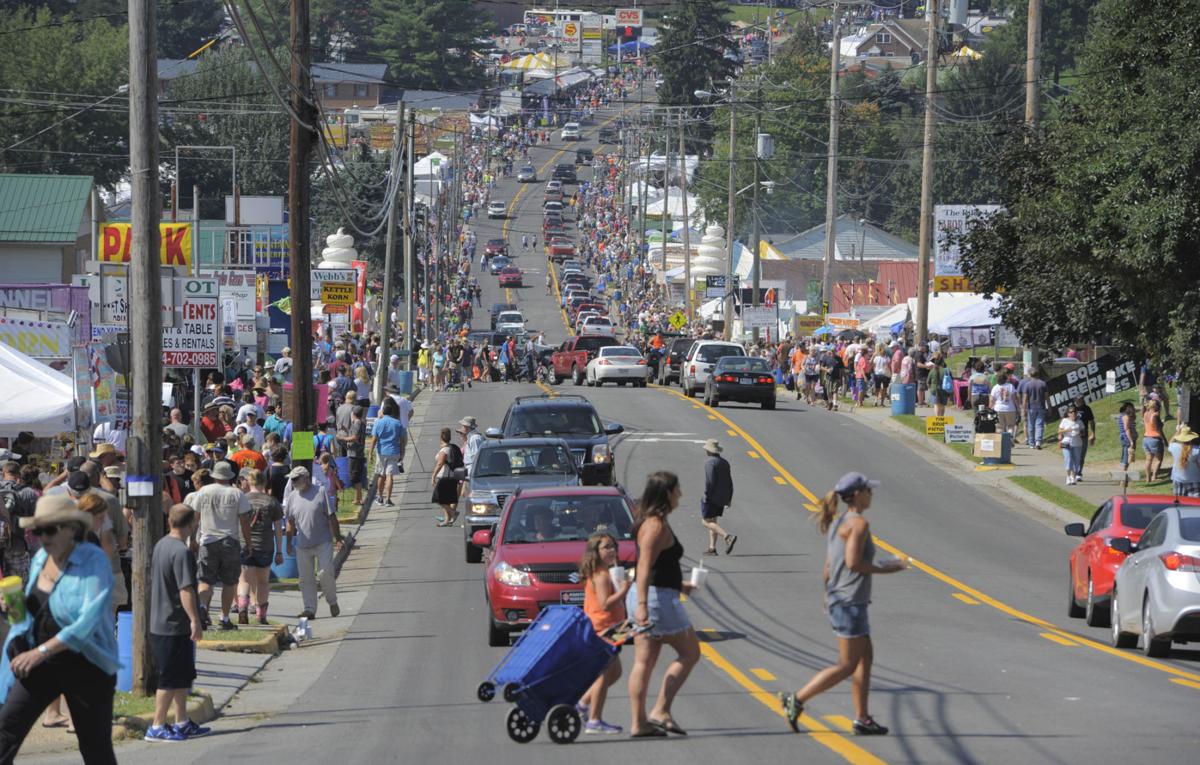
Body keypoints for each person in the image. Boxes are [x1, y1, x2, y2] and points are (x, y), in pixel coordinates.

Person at [779, 472, 907, 736]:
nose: (872, 494)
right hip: (849, 603)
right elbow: (852, 563)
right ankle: (798, 699)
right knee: (847, 664)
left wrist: (828, 594)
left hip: (844, 600)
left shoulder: (840, 523)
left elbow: (829, 566)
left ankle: (862, 718)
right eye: (869, 491)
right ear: (858, 495)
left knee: (865, 657)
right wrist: (889, 568)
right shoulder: (858, 524)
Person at [0, 496, 119, 763]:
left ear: (71, 528)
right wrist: (13, 605)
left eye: (50, 529)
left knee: (95, 748)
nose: (43, 537)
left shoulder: (93, 560)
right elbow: (34, 609)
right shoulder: (41, 557)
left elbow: (87, 622)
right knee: (5, 730)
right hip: (41, 664)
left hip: (86, 664)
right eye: (37, 530)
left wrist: (40, 652)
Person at [626, 471, 699, 739]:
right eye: (677, 489)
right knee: (690, 652)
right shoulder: (655, 526)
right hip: (655, 600)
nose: (680, 494)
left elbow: (658, 568)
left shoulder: (652, 522)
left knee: (644, 662)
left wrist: (681, 586)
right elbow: (644, 566)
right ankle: (660, 710)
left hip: (654, 594)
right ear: (667, 493)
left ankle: (639, 723)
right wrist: (643, 605)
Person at [144, 504, 210, 742]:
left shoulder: (162, 544)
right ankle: (157, 725)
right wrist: (195, 619)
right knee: (169, 678)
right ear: (191, 524)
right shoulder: (181, 552)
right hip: (171, 623)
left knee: (182, 675)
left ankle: (181, 721)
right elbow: (186, 589)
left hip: (167, 622)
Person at [183, 461, 253, 630]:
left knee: (205, 580)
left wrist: (192, 538)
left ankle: (203, 608)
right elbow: (244, 520)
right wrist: (248, 543)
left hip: (207, 540)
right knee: (229, 582)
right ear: (229, 477)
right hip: (230, 540)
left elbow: (195, 517)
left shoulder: (204, 491)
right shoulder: (237, 493)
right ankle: (225, 617)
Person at [575, 531, 631, 735]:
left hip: (612, 628)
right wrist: (624, 591)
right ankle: (594, 720)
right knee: (603, 675)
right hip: (602, 629)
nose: (612, 550)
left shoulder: (605, 572)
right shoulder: (601, 575)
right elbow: (604, 605)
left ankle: (581, 704)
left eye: (614, 546)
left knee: (614, 672)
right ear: (596, 552)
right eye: (606, 547)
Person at [283, 467, 340, 620]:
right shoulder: (292, 497)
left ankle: (332, 600)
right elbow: (290, 521)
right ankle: (309, 609)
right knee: (305, 578)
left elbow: (332, 517)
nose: (293, 482)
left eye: (296, 479)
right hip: (302, 545)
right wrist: (288, 542)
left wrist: (338, 538)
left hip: (323, 542)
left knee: (324, 573)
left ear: (306, 478)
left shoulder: (320, 492)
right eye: (292, 479)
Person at [236, 470, 283, 625]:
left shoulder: (242, 500)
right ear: (265, 482)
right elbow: (277, 528)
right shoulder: (271, 502)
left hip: (244, 544)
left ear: (249, 482)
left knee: (244, 581)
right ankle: (261, 614)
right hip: (265, 546)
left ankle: (242, 608)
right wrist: (279, 551)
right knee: (262, 582)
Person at [699, 439, 736, 556]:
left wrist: (706, 495)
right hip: (722, 497)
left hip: (711, 496)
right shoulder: (724, 462)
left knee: (705, 521)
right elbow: (730, 482)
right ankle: (712, 548)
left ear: (708, 451)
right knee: (713, 520)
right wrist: (729, 498)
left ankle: (727, 537)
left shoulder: (710, 462)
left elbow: (709, 481)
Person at [370, 398, 405, 507]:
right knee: (390, 475)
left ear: (383, 412)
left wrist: (370, 452)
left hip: (382, 451)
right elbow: (402, 440)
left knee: (381, 475)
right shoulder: (398, 423)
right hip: (394, 451)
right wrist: (402, 452)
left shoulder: (378, 422)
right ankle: (388, 499)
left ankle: (380, 497)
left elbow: (374, 439)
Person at [430, 428, 463, 527]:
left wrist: (433, 476)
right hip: (453, 477)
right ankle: (447, 521)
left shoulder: (445, 450)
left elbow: (440, 463)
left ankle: (453, 512)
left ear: (441, 437)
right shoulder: (451, 447)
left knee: (438, 499)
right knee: (447, 500)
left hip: (445, 477)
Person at [340, 404, 367, 507]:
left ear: (353, 414)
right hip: (357, 453)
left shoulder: (357, 423)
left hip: (355, 454)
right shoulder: (361, 423)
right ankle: (358, 498)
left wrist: (342, 438)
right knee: (356, 476)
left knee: (354, 477)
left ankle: (359, 499)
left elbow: (354, 437)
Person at [1018, 367, 1047, 449]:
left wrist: (1023, 409)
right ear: (1038, 374)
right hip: (1041, 406)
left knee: (1031, 425)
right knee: (1039, 425)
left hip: (1031, 407)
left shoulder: (1028, 385)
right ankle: (1038, 441)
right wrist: (1049, 406)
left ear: (1030, 375)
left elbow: (1025, 398)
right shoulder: (1043, 383)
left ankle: (1031, 443)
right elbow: (1046, 397)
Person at [1167, 426, 1200, 497]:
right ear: (1191, 438)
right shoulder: (1197, 450)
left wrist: (1177, 432)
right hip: (1194, 480)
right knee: (1194, 505)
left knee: (1178, 505)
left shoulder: (1174, 447)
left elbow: (1170, 443)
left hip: (1178, 479)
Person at [1057, 404, 1086, 486]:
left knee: (1076, 461)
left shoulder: (1079, 421)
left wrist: (1079, 433)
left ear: (1077, 413)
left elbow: (1084, 432)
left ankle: (1073, 477)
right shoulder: (1064, 421)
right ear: (1068, 413)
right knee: (1068, 459)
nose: (1073, 413)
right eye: (1071, 412)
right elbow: (1059, 431)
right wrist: (1067, 429)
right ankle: (1068, 476)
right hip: (1066, 442)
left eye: (1074, 412)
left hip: (1077, 443)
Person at [1074, 395, 1097, 480]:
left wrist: (1093, 433)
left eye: (1082, 399)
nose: (1081, 401)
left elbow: (1091, 421)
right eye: (1079, 400)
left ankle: (1079, 473)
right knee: (1074, 454)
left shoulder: (1087, 409)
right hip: (1073, 435)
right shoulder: (1072, 409)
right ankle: (1073, 472)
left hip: (1083, 435)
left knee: (1081, 455)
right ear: (1075, 401)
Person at [1143, 400, 1165, 482]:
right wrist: (1162, 423)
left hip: (1146, 438)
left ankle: (1147, 478)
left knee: (1148, 460)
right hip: (1155, 438)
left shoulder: (1145, 414)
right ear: (1155, 406)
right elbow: (1158, 428)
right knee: (1159, 459)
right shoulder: (1155, 415)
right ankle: (1154, 476)